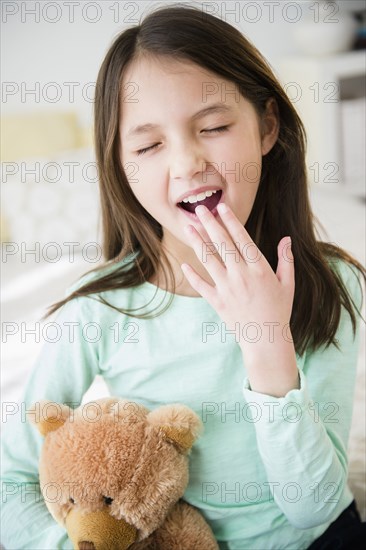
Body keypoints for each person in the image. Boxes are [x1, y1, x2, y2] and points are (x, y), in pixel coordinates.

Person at [1, 4, 366, 549]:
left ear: (267, 128)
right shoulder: (100, 311)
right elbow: (11, 485)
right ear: (123, 168)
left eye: (214, 127)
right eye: (149, 145)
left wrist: (265, 340)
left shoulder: (329, 282)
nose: (187, 161)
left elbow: (314, 509)